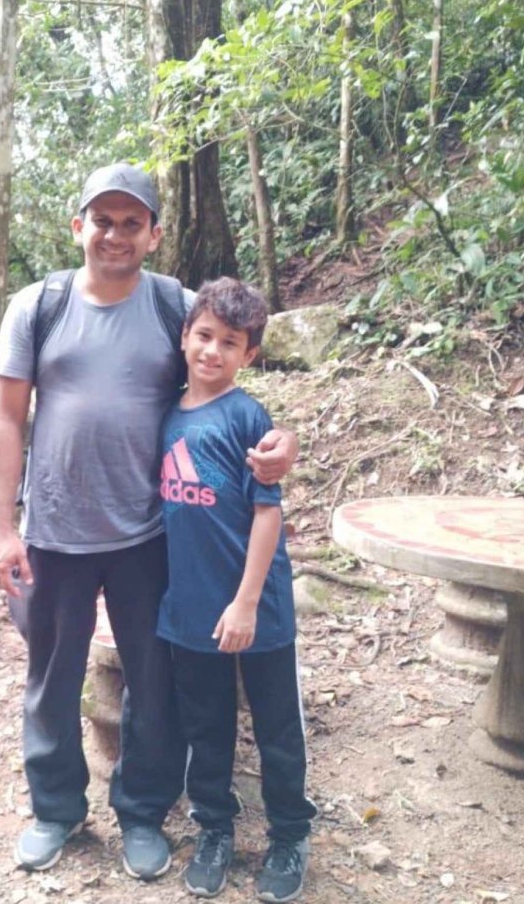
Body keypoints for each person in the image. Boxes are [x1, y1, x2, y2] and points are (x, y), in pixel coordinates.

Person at [0, 163, 296, 878]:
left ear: (155, 234)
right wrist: (3, 529)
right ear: (78, 226)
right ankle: (57, 808)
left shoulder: (174, 307)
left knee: (155, 680)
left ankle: (144, 810)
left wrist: (285, 441)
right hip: (54, 531)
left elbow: (231, 372)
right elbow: (5, 418)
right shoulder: (39, 305)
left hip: (150, 535)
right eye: (102, 220)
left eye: (132, 222)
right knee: (51, 677)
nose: (115, 234)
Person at [157, 277, 317, 902]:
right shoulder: (166, 412)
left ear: (248, 355)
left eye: (230, 342)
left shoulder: (248, 416)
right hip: (188, 608)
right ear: (184, 336)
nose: (212, 351)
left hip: (259, 609)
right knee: (207, 725)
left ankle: (288, 834)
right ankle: (214, 829)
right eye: (204, 336)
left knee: (277, 727)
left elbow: (267, 511)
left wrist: (246, 600)